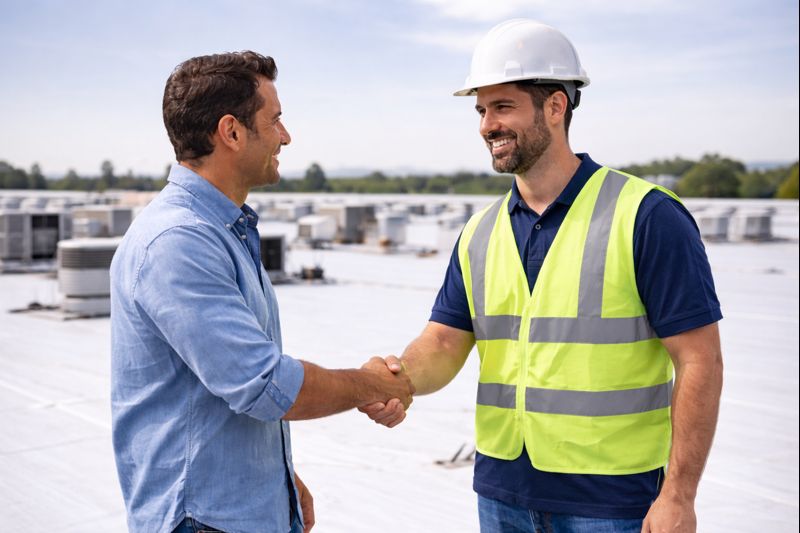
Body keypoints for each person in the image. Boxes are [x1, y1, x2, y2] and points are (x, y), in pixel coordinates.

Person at [362, 19, 724, 533]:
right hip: (503, 494)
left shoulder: (646, 216)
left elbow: (699, 360)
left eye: (503, 107)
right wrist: (397, 381)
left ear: (556, 106)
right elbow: (444, 342)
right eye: (482, 110)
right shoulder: (479, 232)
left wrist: (679, 497)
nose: (487, 125)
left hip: (613, 502)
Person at [110, 51, 414, 533]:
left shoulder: (218, 231)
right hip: (204, 522)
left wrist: (274, 477)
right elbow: (264, 385)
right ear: (231, 132)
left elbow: (216, 391)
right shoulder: (178, 242)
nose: (286, 136)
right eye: (274, 121)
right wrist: (373, 385)